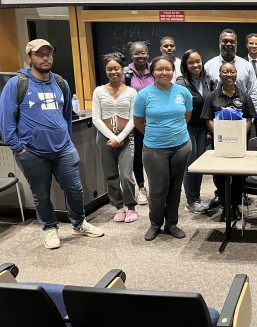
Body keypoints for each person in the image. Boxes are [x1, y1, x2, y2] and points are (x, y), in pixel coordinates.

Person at [0, 39, 104, 249]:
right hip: (31, 152)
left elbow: (66, 116)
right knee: (41, 194)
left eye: (49, 54)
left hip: (63, 149)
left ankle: (79, 223)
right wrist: (18, 148)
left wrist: (66, 138)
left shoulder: (60, 83)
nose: (45, 58)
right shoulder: (17, 83)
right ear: (29, 58)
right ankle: (49, 228)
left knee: (75, 189)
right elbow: (6, 120)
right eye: (40, 54)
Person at [133, 56, 193, 241]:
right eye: (159, 69)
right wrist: (157, 134)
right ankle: (155, 224)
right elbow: (138, 121)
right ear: (153, 72)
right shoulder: (144, 94)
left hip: (181, 146)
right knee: (158, 189)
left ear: (173, 71)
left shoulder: (183, 92)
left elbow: (187, 116)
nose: (164, 72)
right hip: (154, 149)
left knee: (175, 187)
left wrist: (174, 132)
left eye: (168, 69)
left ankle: (172, 224)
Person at [205, 29, 257, 208]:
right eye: (225, 41)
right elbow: (209, 96)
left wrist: (250, 122)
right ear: (219, 42)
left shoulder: (246, 65)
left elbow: (253, 92)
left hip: (242, 126)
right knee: (219, 166)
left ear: (236, 44)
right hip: (218, 131)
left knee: (240, 165)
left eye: (232, 42)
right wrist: (216, 131)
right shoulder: (209, 65)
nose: (228, 44)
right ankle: (220, 194)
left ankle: (239, 195)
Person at [201, 62, 256, 221]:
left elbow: (249, 118)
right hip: (220, 144)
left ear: (236, 74)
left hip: (240, 144)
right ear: (220, 74)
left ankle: (235, 206)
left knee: (238, 176)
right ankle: (226, 206)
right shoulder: (212, 96)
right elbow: (208, 119)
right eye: (225, 72)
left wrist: (239, 135)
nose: (229, 75)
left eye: (232, 72)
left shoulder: (244, 96)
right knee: (220, 175)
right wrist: (220, 133)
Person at [92, 52, 138, 223]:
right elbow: (96, 118)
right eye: (109, 69)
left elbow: (134, 117)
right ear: (106, 71)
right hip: (104, 138)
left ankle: (131, 206)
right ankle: (118, 207)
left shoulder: (132, 92)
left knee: (126, 175)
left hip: (126, 137)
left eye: (116, 68)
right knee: (111, 174)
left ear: (122, 69)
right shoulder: (98, 91)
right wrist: (112, 137)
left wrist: (121, 137)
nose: (113, 72)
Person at [176, 49, 215, 214]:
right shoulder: (181, 83)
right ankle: (191, 201)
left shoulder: (208, 81)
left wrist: (208, 131)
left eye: (198, 61)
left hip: (202, 128)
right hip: (187, 127)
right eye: (191, 62)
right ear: (185, 65)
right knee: (189, 165)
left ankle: (197, 198)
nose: (195, 65)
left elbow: (210, 106)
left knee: (198, 164)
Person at [123, 40, 154, 206]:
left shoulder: (154, 70)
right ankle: (141, 187)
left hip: (155, 121)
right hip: (135, 122)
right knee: (138, 157)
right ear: (131, 54)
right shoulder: (126, 73)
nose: (140, 56)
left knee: (155, 155)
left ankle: (155, 186)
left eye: (143, 53)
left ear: (148, 54)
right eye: (137, 53)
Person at [246, 33, 257, 105]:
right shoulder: (241, 63)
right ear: (246, 45)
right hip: (245, 104)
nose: (254, 46)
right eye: (251, 43)